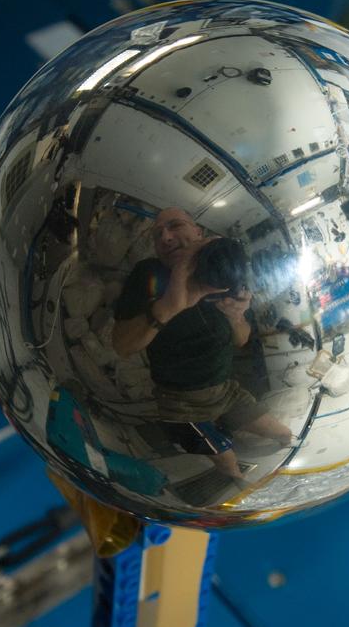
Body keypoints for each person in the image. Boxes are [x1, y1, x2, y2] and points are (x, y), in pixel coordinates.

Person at [112, 207, 291, 482]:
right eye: (157, 234)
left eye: (175, 226)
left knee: (283, 434)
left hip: (226, 388)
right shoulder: (148, 274)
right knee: (229, 463)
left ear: (199, 233)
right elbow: (122, 345)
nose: (166, 237)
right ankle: (238, 489)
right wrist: (168, 306)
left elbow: (241, 340)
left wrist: (237, 316)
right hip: (181, 402)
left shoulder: (220, 271)